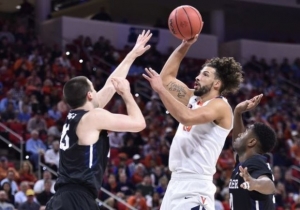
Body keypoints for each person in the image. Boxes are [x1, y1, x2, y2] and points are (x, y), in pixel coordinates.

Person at [45, 30, 151, 210]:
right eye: (94, 88)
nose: (96, 91)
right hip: (76, 200)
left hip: (65, 198)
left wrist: (132, 54)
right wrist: (126, 94)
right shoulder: (93, 117)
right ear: (89, 95)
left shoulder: (79, 116)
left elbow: (110, 85)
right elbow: (139, 123)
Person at [143, 34, 244, 210]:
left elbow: (186, 117)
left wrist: (160, 90)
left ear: (217, 84)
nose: (197, 77)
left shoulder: (220, 106)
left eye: (205, 74)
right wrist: (184, 45)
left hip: (195, 185)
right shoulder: (192, 98)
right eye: (199, 73)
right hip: (176, 182)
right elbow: (166, 79)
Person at [229, 94, 276, 209]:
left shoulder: (255, 162)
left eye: (245, 133)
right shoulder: (243, 163)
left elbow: (269, 184)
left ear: (251, 142)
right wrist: (238, 113)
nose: (240, 134)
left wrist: (254, 183)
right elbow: (237, 142)